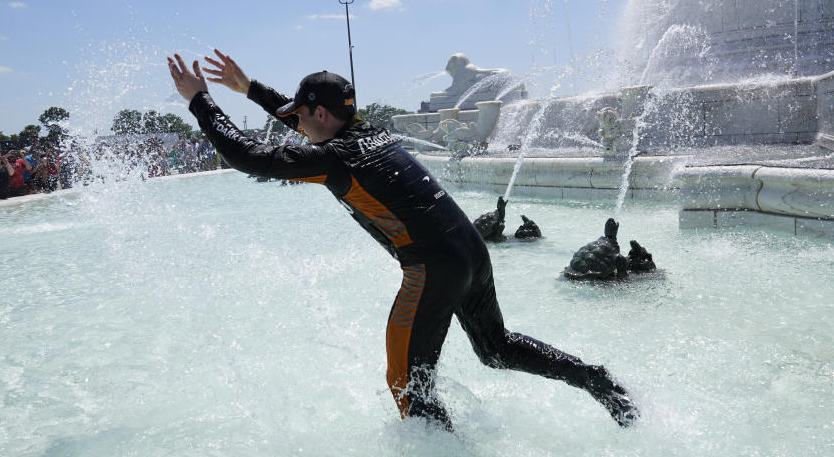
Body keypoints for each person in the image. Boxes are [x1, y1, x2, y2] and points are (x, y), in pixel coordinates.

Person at [167, 50, 640, 431]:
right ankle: (596, 379)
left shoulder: (335, 158)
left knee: (406, 386)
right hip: (471, 250)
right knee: (496, 348)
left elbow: (248, 156)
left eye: (301, 115)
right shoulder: (367, 131)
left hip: (432, 267)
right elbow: (304, 121)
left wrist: (201, 101)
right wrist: (249, 89)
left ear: (319, 112)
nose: (296, 124)